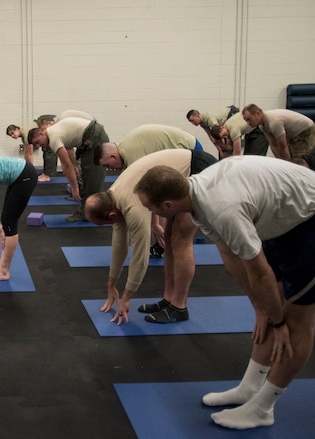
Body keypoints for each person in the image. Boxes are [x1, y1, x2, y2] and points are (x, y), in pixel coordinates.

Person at [133, 156, 315, 430]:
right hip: (285, 221)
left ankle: (263, 407)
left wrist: (277, 322)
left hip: (309, 221)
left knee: (295, 322)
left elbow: (259, 272)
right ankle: (250, 387)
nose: (148, 211)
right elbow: (229, 255)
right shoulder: (197, 200)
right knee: (272, 307)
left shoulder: (222, 209)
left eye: (149, 207)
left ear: (168, 206)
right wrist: (261, 309)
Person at [85, 149, 216, 325]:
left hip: (197, 169)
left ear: (111, 215)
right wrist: (111, 284)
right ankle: (168, 300)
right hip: (177, 175)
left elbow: (140, 257)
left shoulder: (132, 208)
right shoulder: (113, 197)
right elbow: (119, 245)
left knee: (180, 240)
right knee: (168, 239)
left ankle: (179, 307)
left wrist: (127, 297)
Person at [31, 116, 108, 221]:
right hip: (87, 141)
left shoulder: (53, 138)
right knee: (84, 176)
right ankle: (86, 212)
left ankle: (94, 213)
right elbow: (70, 154)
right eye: (36, 145)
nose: (39, 146)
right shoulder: (53, 130)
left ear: (41, 134)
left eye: (37, 142)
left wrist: (74, 189)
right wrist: (76, 166)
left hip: (95, 138)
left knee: (92, 179)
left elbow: (67, 166)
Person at [94, 124, 202, 171]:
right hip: (188, 147)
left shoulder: (130, 153)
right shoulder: (125, 147)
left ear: (113, 156)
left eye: (107, 165)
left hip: (192, 151)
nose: (109, 169)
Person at [242, 104, 315, 161]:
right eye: (246, 120)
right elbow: (273, 145)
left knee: (299, 159)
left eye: (249, 119)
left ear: (257, 114)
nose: (248, 123)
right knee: (289, 157)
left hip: (306, 129)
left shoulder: (274, 122)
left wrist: (286, 164)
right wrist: (279, 161)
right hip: (294, 134)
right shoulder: (262, 125)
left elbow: (283, 146)